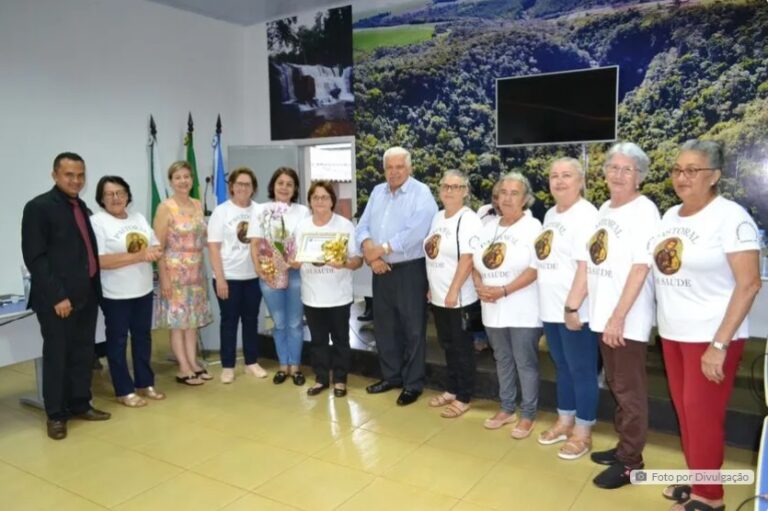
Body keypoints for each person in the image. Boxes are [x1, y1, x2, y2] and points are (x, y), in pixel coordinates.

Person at [651, 140, 761, 511]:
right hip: (673, 334)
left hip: (710, 338)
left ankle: (710, 498)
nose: (682, 177)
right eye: (677, 169)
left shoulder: (731, 218)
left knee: (703, 416)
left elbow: (749, 284)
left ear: (713, 176)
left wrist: (719, 345)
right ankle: (700, 477)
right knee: (686, 412)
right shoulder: (670, 216)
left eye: (692, 170)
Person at [578, 143, 660, 487]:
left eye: (628, 170)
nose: (619, 175)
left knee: (628, 390)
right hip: (604, 316)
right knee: (617, 385)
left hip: (625, 319)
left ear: (639, 176)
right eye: (614, 167)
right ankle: (623, 447)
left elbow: (640, 268)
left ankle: (630, 462)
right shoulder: (605, 209)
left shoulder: (644, 211)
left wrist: (618, 317)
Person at [21, 152, 111, 440]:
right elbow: (36, 258)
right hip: (58, 300)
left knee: (83, 353)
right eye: (69, 174)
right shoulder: (39, 208)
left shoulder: (81, 207)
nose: (76, 180)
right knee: (57, 355)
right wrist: (58, 296)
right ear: (55, 175)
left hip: (86, 296)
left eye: (80, 175)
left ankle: (80, 403)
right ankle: (56, 415)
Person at [356, 146, 438, 406]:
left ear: (410, 168)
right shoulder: (377, 192)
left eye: (399, 167)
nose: (394, 172)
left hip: (409, 270)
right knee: (385, 327)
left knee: (413, 329)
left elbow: (416, 231)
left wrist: (382, 249)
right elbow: (362, 226)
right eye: (389, 167)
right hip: (380, 270)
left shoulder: (421, 193)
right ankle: (391, 377)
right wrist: (371, 251)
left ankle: (413, 383)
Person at [533, 158, 600, 459]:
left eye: (567, 176)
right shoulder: (550, 213)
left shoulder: (586, 215)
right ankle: (565, 420)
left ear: (581, 180)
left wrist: (573, 307)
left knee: (582, 369)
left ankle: (583, 432)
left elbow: (587, 267)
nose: (559, 181)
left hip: (575, 309)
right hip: (551, 307)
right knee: (563, 367)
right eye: (554, 176)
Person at [473, 172, 542, 438]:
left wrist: (503, 290)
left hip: (523, 307)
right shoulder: (488, 227)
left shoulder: (534, 227)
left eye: (515, 193)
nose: (508, 198)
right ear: (497, 197)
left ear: (525, 199)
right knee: (502, 358)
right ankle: (506, 407)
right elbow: (475, 261)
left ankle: (528, 414)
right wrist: (479, 284)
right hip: (492, 307)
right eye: (503, 192)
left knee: (524, 361)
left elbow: (535, 269)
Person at [91, 176, 166, 407]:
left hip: (142, 289)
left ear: (127, 195)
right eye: (110, 194)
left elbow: (154, 245)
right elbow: (100, 261)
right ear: (101, 198)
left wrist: (154, 252)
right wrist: (140, 256)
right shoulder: (98, 222)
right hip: (115, 294)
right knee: (118, 341)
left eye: (120, 192)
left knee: (143, 337)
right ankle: (124, 389)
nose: (116, 198)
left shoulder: (138, 218)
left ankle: (145, 383)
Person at [291, 182, 363, 397]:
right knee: (318, 340)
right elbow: (294, 257)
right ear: (310, 201)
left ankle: (340, 380)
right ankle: (321, 378)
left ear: (332, 201)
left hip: (338, 295)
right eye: (315, 197)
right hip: (312, 295)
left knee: (341, 339)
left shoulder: (344, 226)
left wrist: (344, 263)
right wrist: (293, 262)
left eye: (324, 197)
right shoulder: (302, 227)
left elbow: (358, 261)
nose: (320, 201)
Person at [425, 170, 482, 418]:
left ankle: (464, 396)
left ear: (465, 191)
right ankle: (451, 389)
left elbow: (468, 259)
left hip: (458, 298)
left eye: (456, 186)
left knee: (462, 347)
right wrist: (431, 286)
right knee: (447, 344)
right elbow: (433, 252)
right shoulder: (438, 217)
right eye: (445, 186)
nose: (449, 191)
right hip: (438, 295)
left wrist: (453, 290)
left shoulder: (468, 219)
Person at [248, 167, 310, 385]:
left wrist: (298, 259)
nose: (284, 187)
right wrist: (259, 269)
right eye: (280, 183)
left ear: (295, 189)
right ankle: (283, 365)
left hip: (294, 273)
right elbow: (255, 243)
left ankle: (296, 365)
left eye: (289, 184)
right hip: (270, 273)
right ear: (273, 186)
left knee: (294, 322)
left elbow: (305, 242)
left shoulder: (303, 211)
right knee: (280, 322)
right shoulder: (260, 210)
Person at [154, 161, 213, 386]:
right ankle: (183, 367)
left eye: (187, 176)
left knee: (192, 321)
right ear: (171, 181)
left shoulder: (198, 204)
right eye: (178, 177)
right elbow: (158, 246)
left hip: (196, 272)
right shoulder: (165, 208)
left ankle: (194, 362)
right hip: (175, 273)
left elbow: (204, 238)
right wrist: (165, 278)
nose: (183, 181)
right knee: (178, 322)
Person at [208, 167, 266, 384]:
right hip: (228, 277)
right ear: (231, 186)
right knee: (229, 321)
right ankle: (228, 366)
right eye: (239, 184)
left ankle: (251, 362)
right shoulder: (221, 212)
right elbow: (213, 247)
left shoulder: (260, 210)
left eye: (247, 184)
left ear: (253, 188)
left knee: (251, 320)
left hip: (253, 276)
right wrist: (220, 278)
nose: (243, 188)